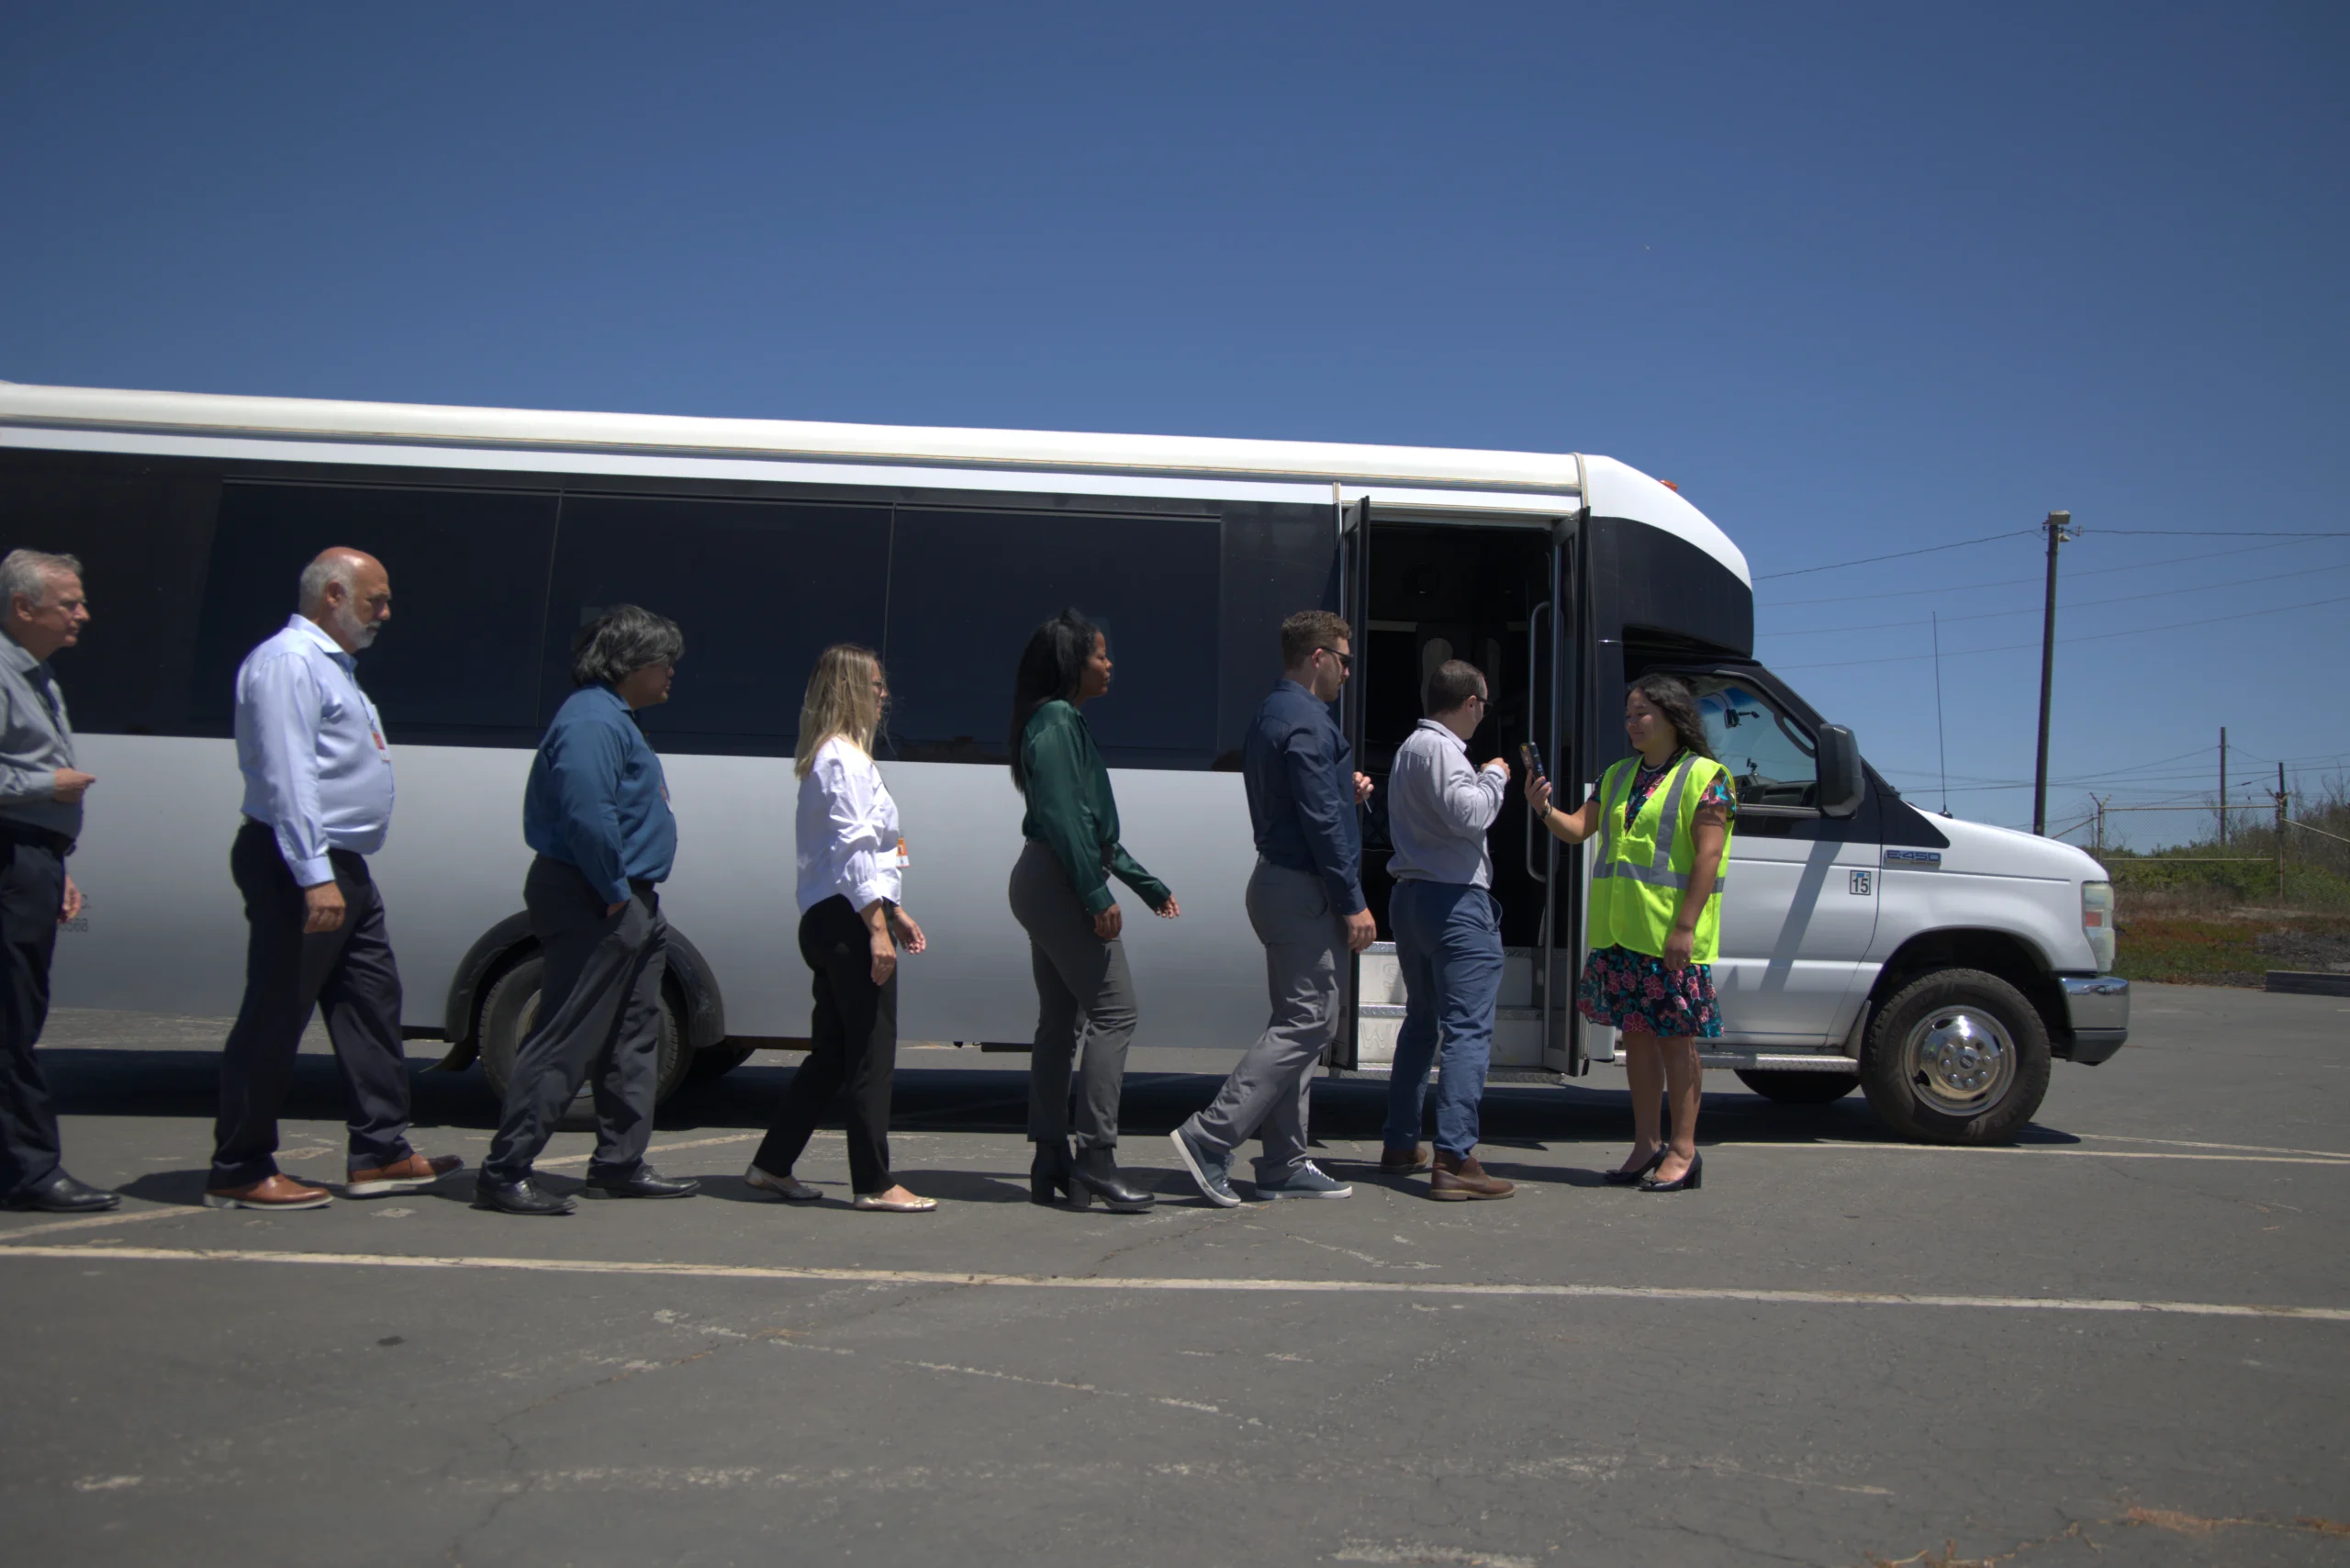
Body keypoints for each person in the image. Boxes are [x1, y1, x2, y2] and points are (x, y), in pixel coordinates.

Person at [208, 548, 464, 1211]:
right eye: (375, 599)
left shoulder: (331, 667)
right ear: (332, 595)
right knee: (276, 1013)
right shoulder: (289, 663)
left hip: (341, 865)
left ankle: (380, 1151)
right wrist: (313, 874)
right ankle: (239, 1164)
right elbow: (289, 776)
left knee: (372, 1002)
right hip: (300, 863)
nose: (386, 612)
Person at [476, 605, 699, 1215]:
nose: (671, 673)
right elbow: (588, 815)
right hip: (595, 895)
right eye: (664, 661)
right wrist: (613, 889)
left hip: (628, 896)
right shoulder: (592, 721)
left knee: (633, 1034)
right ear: (630, 663)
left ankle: (619, 1163)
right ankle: (505, 1170)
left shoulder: (615, 719)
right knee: (566, 1034)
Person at [1169, 610, 1372, 1205]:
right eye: (1345, 660)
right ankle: (1211, 1135)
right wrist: (1353, 902)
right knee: (1310, 1020)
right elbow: (1320, 822)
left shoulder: (1273, 712)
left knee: (1298, 1021)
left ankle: (1284, 1160)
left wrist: (1343, 792)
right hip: (1302, 890)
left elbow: (1307, 801)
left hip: (1280, 884)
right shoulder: (1307, 721)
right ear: (1319, 658)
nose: (1348, 673)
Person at [745, 644, 934, 1214]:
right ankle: (873, 1183)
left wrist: (893, 911)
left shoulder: (834, 757)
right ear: (850, 689)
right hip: (849, 922)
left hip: (832, 916)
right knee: (871, 1053)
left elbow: (862, 853)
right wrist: (877, 928)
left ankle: (771, 1164)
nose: (884, 694)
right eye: (875, 684)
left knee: (831, 1055)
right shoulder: (844, 761)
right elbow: (853, 850)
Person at [1528, 673, 1734, 1193]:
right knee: (1637, 1042)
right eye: (1628, 715)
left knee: (1676, 1044)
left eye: (1642, 714)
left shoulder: (1708, 777)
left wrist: (1684, 927)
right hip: (1622, 935)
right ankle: (1646, 1145)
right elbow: (1578, 830)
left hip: (1671, 938)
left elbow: (1708, 856)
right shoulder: (1617, 775)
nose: (1632, 723)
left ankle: (1683, 1152)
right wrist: (1544, 809)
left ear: (1672, 717)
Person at [1006, 610, 1178, 1213]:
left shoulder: (1059, 720)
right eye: (1101, 655)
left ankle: (1051, 1158)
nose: (1109, 665)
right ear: (1072, 663)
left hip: (1049, 877)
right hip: (1058, 880)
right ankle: (1096, 1159)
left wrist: (1145, 885)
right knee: (1115, 1011)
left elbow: (1087, 826)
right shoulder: (1056, 721)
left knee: (1060, 1023)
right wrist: (1096, 895)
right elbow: (1064, 820)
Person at [0, 551, 115, 1214]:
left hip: (32, 859)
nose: (82, 615)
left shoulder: (35, 674)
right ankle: (29, 1171)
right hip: (10, 858)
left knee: (20, 1013)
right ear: (23, 607)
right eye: (68, 603)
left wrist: (56, 863)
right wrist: (47, 784)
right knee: (11, 1021)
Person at [1382, 658, 1516, 1201]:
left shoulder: (1409, 750)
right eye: (1483, 706)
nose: (1483, 716)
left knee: (1422, 1023)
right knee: (1467, 1029)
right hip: (1455, 900)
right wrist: (1495, 776)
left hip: (1411, 896)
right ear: (1471, 703)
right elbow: (1469, 814)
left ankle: (1400, 1142)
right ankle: (1455, 1157)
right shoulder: (1442, 750)